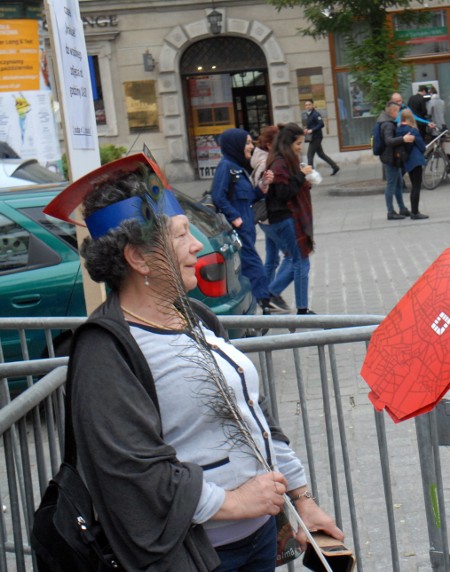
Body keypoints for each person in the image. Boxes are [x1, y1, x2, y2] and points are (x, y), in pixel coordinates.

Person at [58, 155, 343, 569]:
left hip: (259, 538)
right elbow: (130, 471)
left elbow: (251, 417)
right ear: (138, 259)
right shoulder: (107, 351)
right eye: (180, 236)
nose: (196, 246)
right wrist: (232, 501)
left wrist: (301, 499)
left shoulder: (195, 317)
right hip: (196, 556)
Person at [211, 127, 277, 314]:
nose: (251, 147)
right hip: (239, 229)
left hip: (247, 227)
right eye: (247, 143)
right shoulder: (226, 167)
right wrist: (235, 218)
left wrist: (263, 185)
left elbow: (249, 197)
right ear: (236, 145)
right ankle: (265, 304)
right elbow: (218, 196)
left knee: (246, 268)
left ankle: (254, 305)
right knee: (255, 266)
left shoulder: (238, 167)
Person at [266, 123, 318, 315]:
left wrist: (304, 181)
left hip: (289, 217)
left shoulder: (285, 161)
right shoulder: (279, 163)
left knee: (297, 261)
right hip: (287, 218)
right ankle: (300, 308)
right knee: (301, 263)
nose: (300, 147)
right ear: (288, 143)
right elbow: (283, 192)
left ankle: (271, 295)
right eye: (298, 143)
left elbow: (290, 187)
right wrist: (301, 177)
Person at [251, 124, 290, 312]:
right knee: (291, 255)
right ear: (268, 144)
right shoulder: (266, 162)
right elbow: (263, 189)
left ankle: (264, 297)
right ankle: (271, 293)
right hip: (270, 217)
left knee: (272, 258)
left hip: (267, 217)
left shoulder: (265, 158)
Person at [377, 101, 414, 220]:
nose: (398, 114)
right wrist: (403, 138)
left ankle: (402, 208)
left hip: (392, 158)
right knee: (391, 185)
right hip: (390, 158)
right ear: (392, 111)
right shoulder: (387, 124)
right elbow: (388, 140)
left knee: (398, 184)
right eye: (397, 111)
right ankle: (390, 211)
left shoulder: (386, 122)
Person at [396, 109, 429, 220]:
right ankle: (415, 212)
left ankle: (414, 211)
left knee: (413, 185)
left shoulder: (398, 130)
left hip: (407, 160)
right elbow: (422, 147)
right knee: (416, 186)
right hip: (416, 160)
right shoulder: (413, 131)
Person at [303, 99, 340, 176]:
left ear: (312, 105)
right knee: (321, 154)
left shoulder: (316, 114)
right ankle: (335, 167)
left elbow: (321, 124)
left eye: (309, 104)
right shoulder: (308, 114)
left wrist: (312, 130)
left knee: (310, 155)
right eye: (306, 105)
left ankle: (311, 174)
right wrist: (307, 129)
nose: (307, 106)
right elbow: (311, 124)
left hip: (316, 137)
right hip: (313, 137)